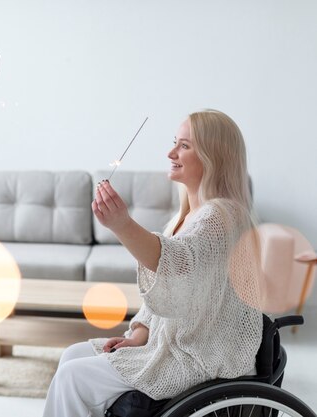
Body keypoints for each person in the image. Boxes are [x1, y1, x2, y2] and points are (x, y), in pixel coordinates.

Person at [42, 109, 263, 417]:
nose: (171, 152)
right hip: (167, 343)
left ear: (214, 155)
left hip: (199, 355)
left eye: (184, 145)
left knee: (73, 378)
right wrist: (139, 333)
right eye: (175, 142)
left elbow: (176, 265)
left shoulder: (222, 216)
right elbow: (173, 292)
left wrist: (122, 225)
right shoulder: (185, 217)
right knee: (72, 355)